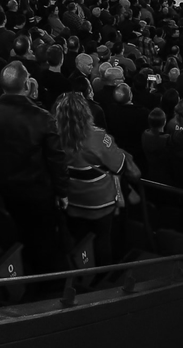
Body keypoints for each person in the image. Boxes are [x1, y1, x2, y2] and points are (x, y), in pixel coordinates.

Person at [0, 61, 72, 273]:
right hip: (36, 192)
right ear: (27, 84)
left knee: (15, 232)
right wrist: (62, 192)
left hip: (1, 188)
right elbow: (56, 159)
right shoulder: (43, 118)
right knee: (41, 240)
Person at [55, 91, 138, 266]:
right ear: (86, 112)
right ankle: (104, 275)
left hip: (72, 201)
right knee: (103, 239)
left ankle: (83, 272)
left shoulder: (54, 138)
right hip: (100, 202)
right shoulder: (98, 138)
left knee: (81, 239)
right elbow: (120, 165)